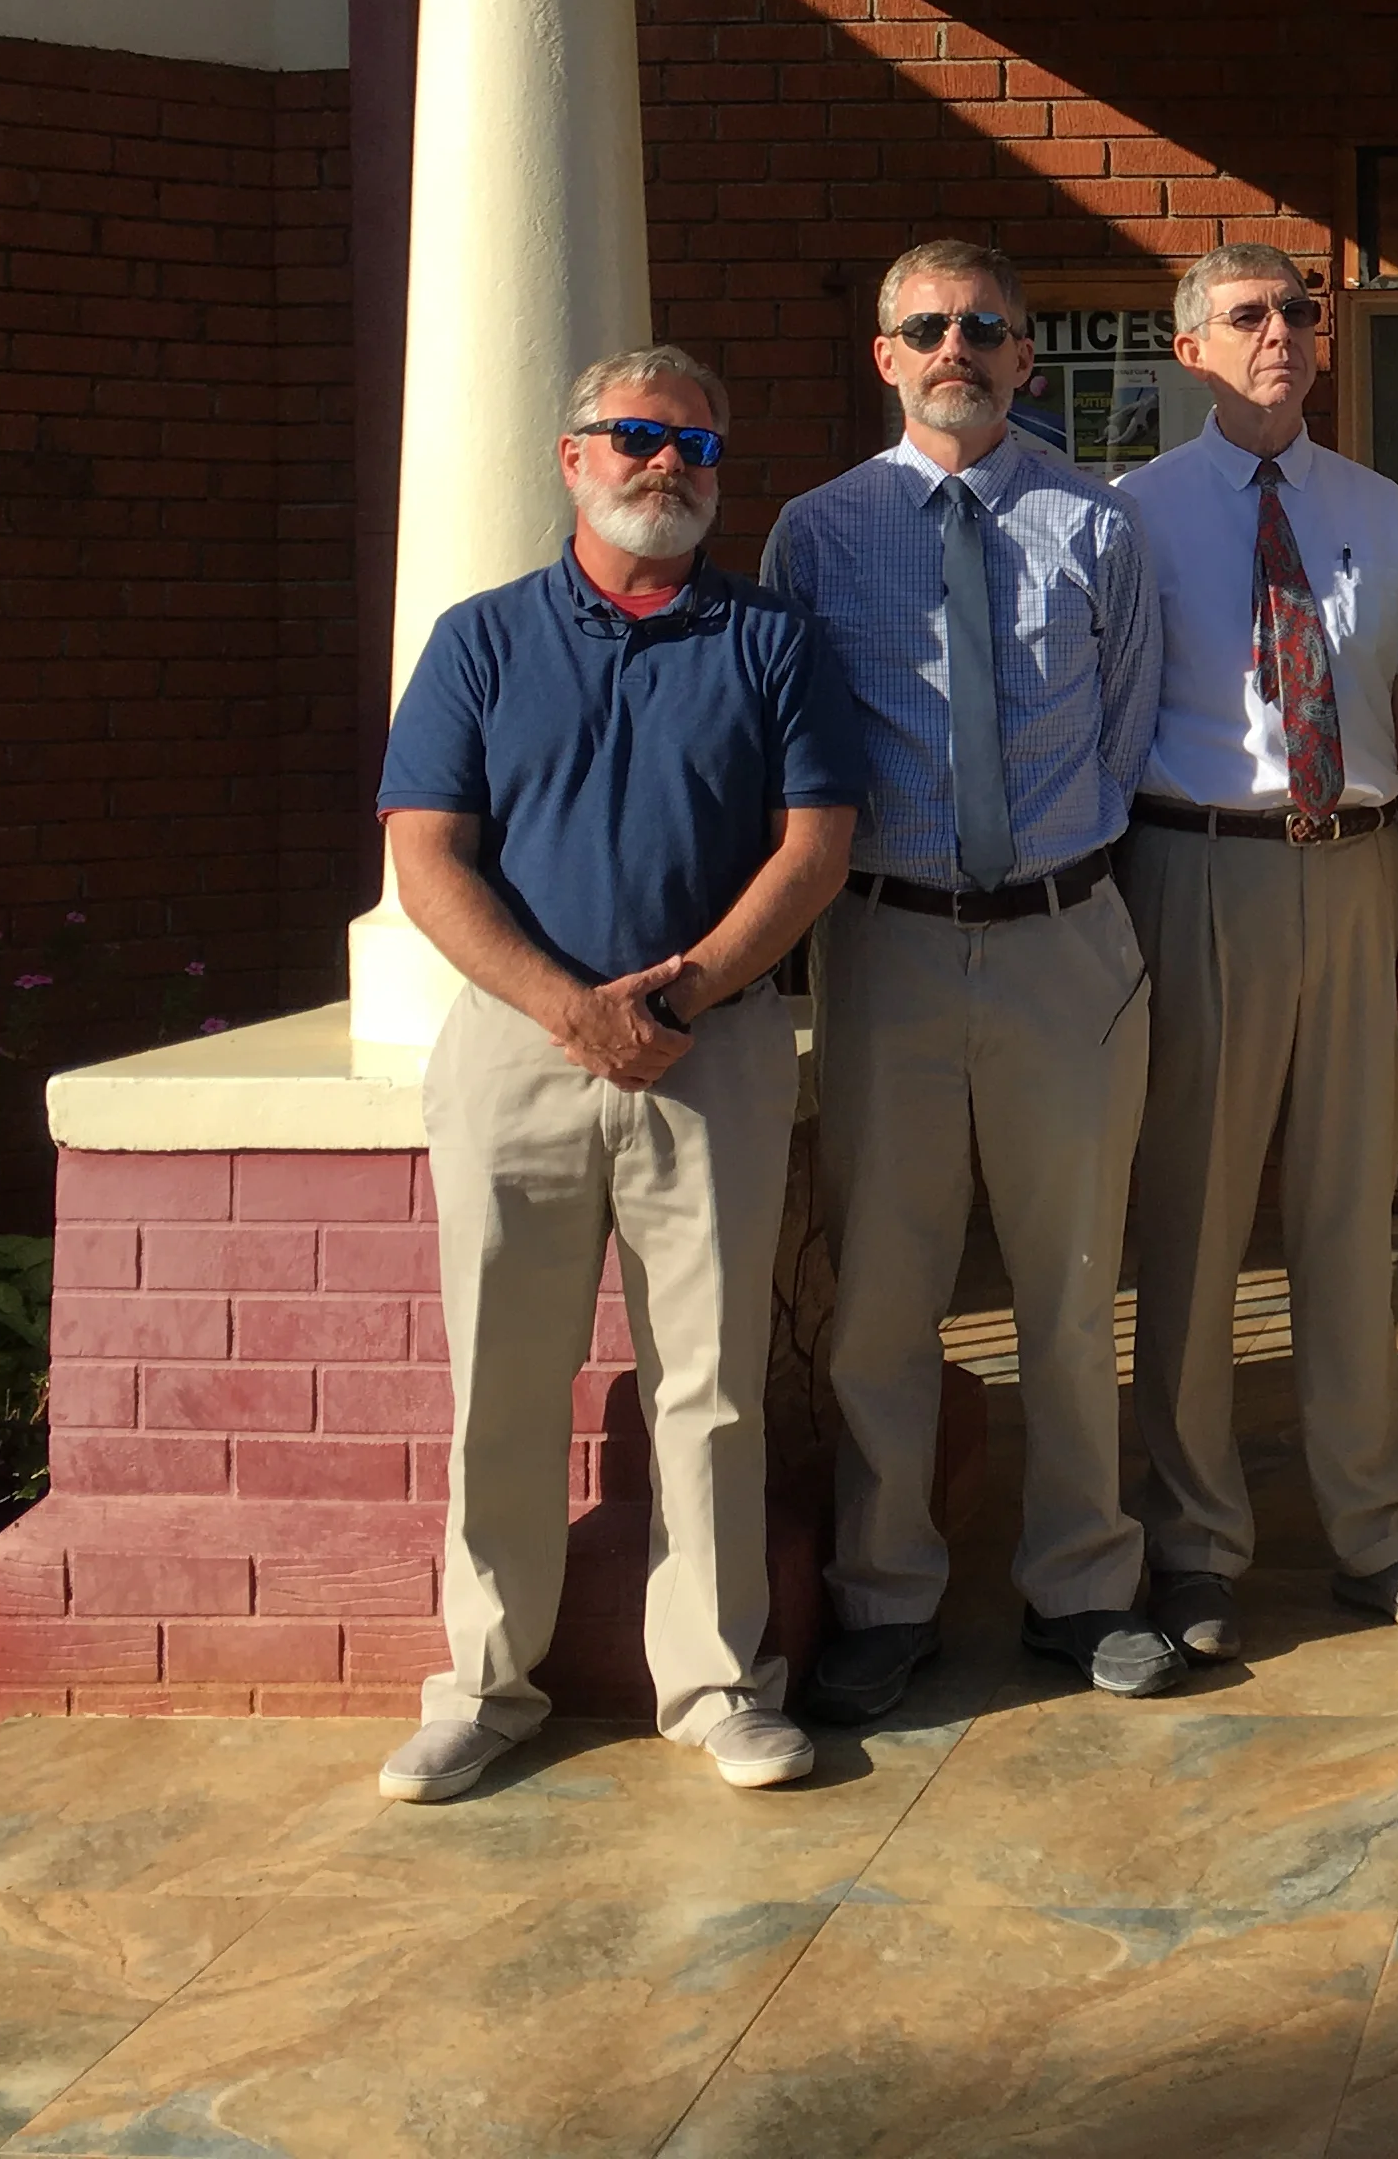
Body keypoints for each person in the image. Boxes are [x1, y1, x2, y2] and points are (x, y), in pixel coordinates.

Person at [372, 347, 862, 1803]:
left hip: (711, 1055)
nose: (671, 467)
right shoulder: (479, 639)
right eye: (640, 439)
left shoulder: (773, 640)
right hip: (518, 1057)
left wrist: (689, 993)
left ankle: (717, 1686)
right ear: (574, 457)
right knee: (501, 1381)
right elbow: (425, 854)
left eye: (698, 448)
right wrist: (568, 1009)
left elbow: (814, 844)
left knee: (710, 1391)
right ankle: (482, 1688)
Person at [760, 239, 1175, 1719]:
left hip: (1066, 936)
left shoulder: (1097, 524)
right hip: (888, 942)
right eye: (929, 327)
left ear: (1024, 360)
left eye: (986, 329)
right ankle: (884, 1593)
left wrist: (1048, 865)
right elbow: (794, 740)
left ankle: (1084, 1581)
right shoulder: (815, 533)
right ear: (884, 355)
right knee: (885, 1285)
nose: (958, 348)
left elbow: (1121, 731)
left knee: (1072, 1281)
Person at [1117, 243, 1398, 1655]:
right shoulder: (1132, 517)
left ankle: (1379, 1534)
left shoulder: (1385, 515)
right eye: (1249, 316)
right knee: (1196, 1224)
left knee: (1347, 1218)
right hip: (1196, 868)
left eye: (1300, 313)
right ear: (1195, 347)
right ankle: (1195, 1544)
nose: (1282, 333)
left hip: (1359, 876)